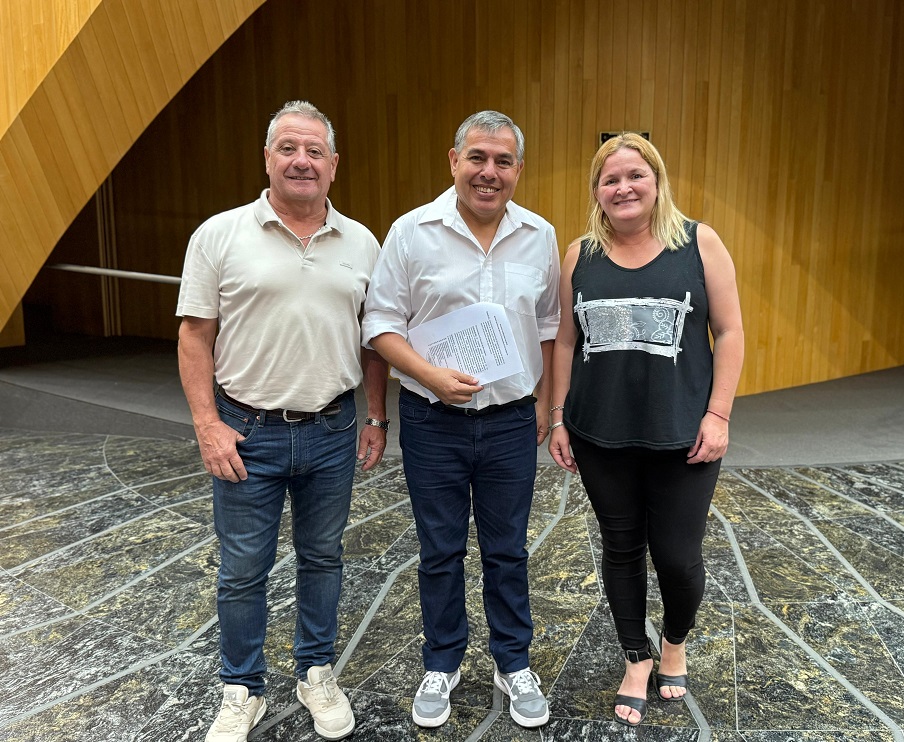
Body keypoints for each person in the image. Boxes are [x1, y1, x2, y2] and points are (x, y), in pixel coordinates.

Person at [176, 100, 388, 742]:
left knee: (323, 558)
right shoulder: (219, 235)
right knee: (243, 568)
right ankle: (241, 688)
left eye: (314, 150)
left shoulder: (363, 243)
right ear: (267, 158)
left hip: (332, 430)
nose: (302, 161)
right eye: (288, 148)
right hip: (247, 432)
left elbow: (375, 341)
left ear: (334, 165)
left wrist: (376, 416)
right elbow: (194, 336)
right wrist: (207, 425)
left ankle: (316, 673)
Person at [362, 110, 560, 729]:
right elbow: (379, 325)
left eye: (503, 161)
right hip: (432, 422)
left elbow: (550, 328)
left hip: (510, 422)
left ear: (518, 170)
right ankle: (442, 661)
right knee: (439, 550)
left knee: (508, 550)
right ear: (454, 161)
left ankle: (513, 661)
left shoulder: (540, 236)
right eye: (477, 157)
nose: (488, 172)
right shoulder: (410, 232)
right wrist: (428, 375)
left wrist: (546, 408)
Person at [548, 133, 744, 727]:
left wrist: (719, 414)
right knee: (621, 549)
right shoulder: (580, 254)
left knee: (678, 559)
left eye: (636, 175)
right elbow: (565, 342)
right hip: (600, 435)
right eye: (610, 179)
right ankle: (636, 656)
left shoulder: (700, 243)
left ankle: (674, 642)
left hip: (684, 435)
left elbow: (729, 331)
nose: (624, 187)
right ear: (597, 191)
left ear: (657, 181)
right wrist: (557, 417)